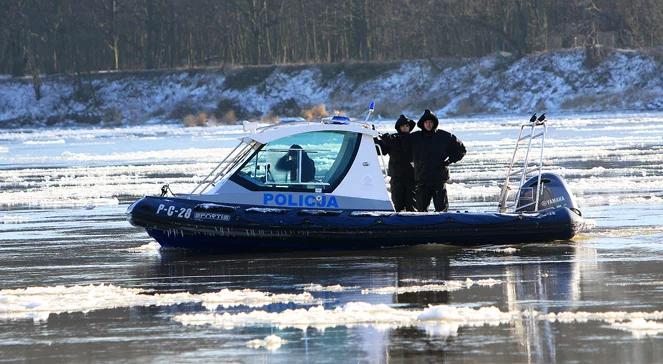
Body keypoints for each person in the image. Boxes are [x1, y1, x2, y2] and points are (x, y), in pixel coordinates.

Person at [410, 109, 466, 212]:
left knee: (441, 209)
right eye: (426, 122)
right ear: (423, 124)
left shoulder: (444, 136)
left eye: (431, 122)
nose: (428, 124)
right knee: (420, 210)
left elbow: (461, 149)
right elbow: (399, 142)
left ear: (434, 123)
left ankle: (444, 227)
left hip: (439, 179)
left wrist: (449, 160)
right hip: (422, 179)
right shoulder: (415, 137)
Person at [375, 115, 416, 211]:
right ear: (399, 127)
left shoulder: (415, 139)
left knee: (412, 205)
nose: (405, 128)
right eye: (402, 126)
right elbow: (380, 149)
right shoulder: (391, 139)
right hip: (396, 178)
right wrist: (373, 137)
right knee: (398, 204)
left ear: (409, 127)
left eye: (407, 126)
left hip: (412, 178)